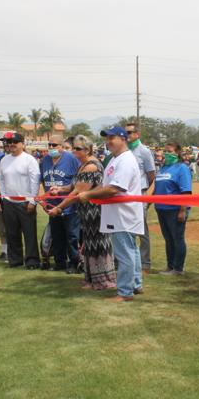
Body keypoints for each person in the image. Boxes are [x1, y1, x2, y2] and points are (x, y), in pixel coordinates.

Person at [78, 126, 143, 302]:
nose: (108, 142)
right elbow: (107, 185)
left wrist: (88, 194)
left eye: (112, 138)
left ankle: (125, 292)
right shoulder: (117, 159)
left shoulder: (125, 161)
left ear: (123, 139)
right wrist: (90, 192)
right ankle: (135, 284)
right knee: (131, 251)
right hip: (121, 215)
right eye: (107, 138)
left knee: (125, 254)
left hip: (123, 215)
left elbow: (114, 188)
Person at [48, 135, 117, 290]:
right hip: (86, 213)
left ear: (88, 149)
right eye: (73, 148)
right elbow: (74, 187)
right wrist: (60, 189)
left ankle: (102, 281)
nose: (74, 151)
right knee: (89, 244)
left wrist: (59, 207)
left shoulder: (91, 166)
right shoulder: (83, 165)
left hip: (94, 213)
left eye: (78, 149)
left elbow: (77, 193)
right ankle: (92, 279)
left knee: (97, 244)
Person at [0, 132, 41, 269]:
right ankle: (15, 260)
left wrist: (32, 201)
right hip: (9, 202)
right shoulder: (4, 160)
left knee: (29, 233)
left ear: (22, 144)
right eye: (9, 142)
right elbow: (1, 180)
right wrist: (3, 197)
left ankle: (32, 261)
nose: (11, 144)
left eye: (14, 141)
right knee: (11, 233)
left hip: (26, 202)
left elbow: (35, 181)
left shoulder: (29, 159)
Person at [40, 135, 81, 273]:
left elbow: (78, 182)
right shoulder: (45, 160)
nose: (51, 148)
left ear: (62, 147)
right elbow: (43, 180)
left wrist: (64, 190)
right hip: (52, 206)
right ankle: (60, 263)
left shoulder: (71, 159)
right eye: (49, 145)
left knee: (72, 236)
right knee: (57, 236)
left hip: (69, 205)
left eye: (55, 145)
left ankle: (74, 263)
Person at [154, 141, 193, 275]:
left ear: (177, 152)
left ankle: (178, 268)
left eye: (170, 151)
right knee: (168, 239)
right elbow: (157, 188)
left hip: (175, 209)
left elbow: (186, 191)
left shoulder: (181, 168)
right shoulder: (163, 168)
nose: (167, 154)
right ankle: (170, 266)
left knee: (177, 238)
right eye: (165, 151)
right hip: (161, 209)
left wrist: (183, 210)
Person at [124, 122, 156, 274]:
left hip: (139, 194)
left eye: (130, 132)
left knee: (142, 230)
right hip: (124, 194)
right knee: (124, 228)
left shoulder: (144, 151)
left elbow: (151, 174)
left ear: (137, 134)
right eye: (126, 133)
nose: (127, 135)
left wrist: (142, 190)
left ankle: (145, 263)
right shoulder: (124, 151)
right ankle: (126, 261)